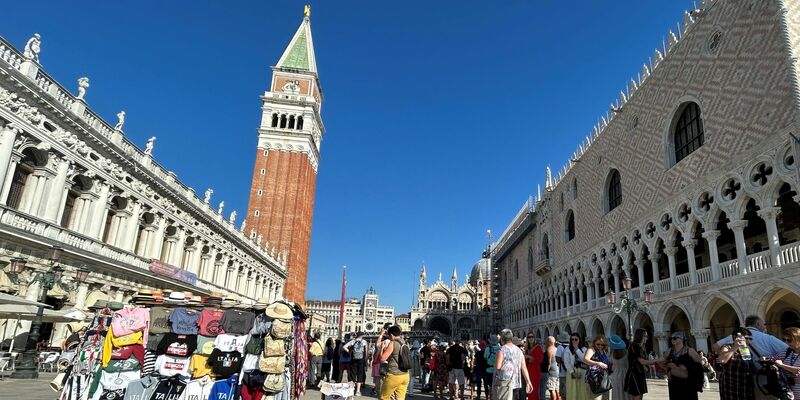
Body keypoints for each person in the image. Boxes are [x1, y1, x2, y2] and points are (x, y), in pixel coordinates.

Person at [714, 315, 788, 358]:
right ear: (757, 324)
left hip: (745, 376)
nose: (764, 327)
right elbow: (787, 350)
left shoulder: (733, 336)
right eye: (763, 324)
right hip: (764, 377)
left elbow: (715, 346)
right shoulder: (767, 338)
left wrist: (729, 356)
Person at [717, 327, 756, 400]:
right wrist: (735, 346)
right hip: (731, 387)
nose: (749, 341)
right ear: (736, 337)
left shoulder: (745, 350)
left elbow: (749, 368)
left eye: (750, 339)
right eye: (747, 338)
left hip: (745, 387)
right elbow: (722, 360)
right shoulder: (727, 347)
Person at [494, 329, 533, 400]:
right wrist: (528, 382)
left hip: (504, 383)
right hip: (516, 383)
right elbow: (524, 368)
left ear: (502, 339)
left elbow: (497, 367)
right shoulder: (519, 351)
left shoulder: (501, 350)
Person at [663, 331, 702, 400]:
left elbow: (699, 365)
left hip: (687, 382)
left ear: (681, 339)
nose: (672, 340)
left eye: (674, 338)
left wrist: (686, 367)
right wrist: (668, 366)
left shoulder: (689, 350)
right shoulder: (669, 350)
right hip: (674, 382)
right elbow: (663, 363)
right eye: (671, 338)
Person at [623, 329, 660, 400]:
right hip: (634, 375)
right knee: (637, 396)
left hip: (639, 374)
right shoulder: (635, 347)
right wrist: (658, 360)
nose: (647, 338)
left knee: (640, 396)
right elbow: (642, 361)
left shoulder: (639, 347)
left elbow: (645, 361)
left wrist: (657, 362)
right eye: (646, 336)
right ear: (641, 336)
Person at [380, 325, 410, 400]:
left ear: (392, 335)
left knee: (384, 397)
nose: (389, 338)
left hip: (394, 375)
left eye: (389, 336)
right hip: (405, 375)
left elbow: (382, 359)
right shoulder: (405, 343)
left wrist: (382, 349)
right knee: (400, 398)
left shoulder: (393, 343)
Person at [775, 327, 800, 399]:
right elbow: (773, 359)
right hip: (789, 395)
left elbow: (798, 371)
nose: (786, 342)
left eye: (789, 340)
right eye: (784, 340)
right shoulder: (788, 352)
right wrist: (765, 358)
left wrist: (782, 365)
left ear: (798, 339)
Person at [583, 335, 610, 400]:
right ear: (594, 343)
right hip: (593, 379)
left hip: (603, 379)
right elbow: (585, 359)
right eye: (598, 344)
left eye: (602, 345)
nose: (600, 346)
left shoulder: (604, 351)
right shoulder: (591, 349)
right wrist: (598, 363)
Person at [563, 333, 588, 400]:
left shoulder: (584, 349)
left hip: (582, 372)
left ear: (579, 340)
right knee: (572, 392)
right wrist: (572, 372)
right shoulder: (567, 349)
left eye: (576, 339)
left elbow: (584, 359)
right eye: (572, 339)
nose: (574, 341)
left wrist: (577, 349)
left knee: (581, 391)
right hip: (572, 372)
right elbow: (566, 362)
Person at [607, 335, 627, 400]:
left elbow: (609, 365)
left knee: (617, 395)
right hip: (625, 376)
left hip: (615, 376)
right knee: (626, 395)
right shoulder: (627, 353)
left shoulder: (612, 355)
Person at [524, 335, 543, 400]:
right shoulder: (527, 348)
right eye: (529, 337)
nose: (531, 338)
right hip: (528, 371)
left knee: (534, 390)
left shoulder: (538, 348)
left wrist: (529, 357)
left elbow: (540, 360)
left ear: (534, 338)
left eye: (532, 337)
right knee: (529, 390)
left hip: (535, 371)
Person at [486, 335, 501, 400]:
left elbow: (485, 357)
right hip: (498, 370)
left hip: (489, 370)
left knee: (490, 386)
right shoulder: (501, 348)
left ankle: (491, 398)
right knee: (497, 387)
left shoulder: (487, 349)